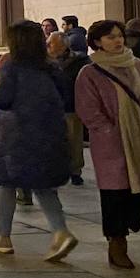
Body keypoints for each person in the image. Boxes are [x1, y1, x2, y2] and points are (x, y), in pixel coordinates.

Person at [0, 21, 77, 260]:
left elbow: (3, 99)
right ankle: (60, 231)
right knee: (43, 185)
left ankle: (3, 237)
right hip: (48, 131)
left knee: (7, 182)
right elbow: (66, 97)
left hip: (15, 135)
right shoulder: (51, 66)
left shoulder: (12, 66)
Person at [76, 19, 140, 269]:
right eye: (110, 37)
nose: (117, 41)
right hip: (110, 143)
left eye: (119, 36)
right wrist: (108, 130)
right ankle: (117, 241)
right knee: (114, 192)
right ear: (97, 42)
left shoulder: (136, 65)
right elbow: (88, 108)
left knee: (136, 190)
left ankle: (126, 230)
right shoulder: (90, 72)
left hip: (138, 138)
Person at [48, 32, 90, 187]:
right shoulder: (45, 61)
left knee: (74, 140)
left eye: (51, 43)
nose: (48, 46)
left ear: (63, 45)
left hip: (71, 105)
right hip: (52, 107)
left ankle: (75, 171)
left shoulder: (79, 61)